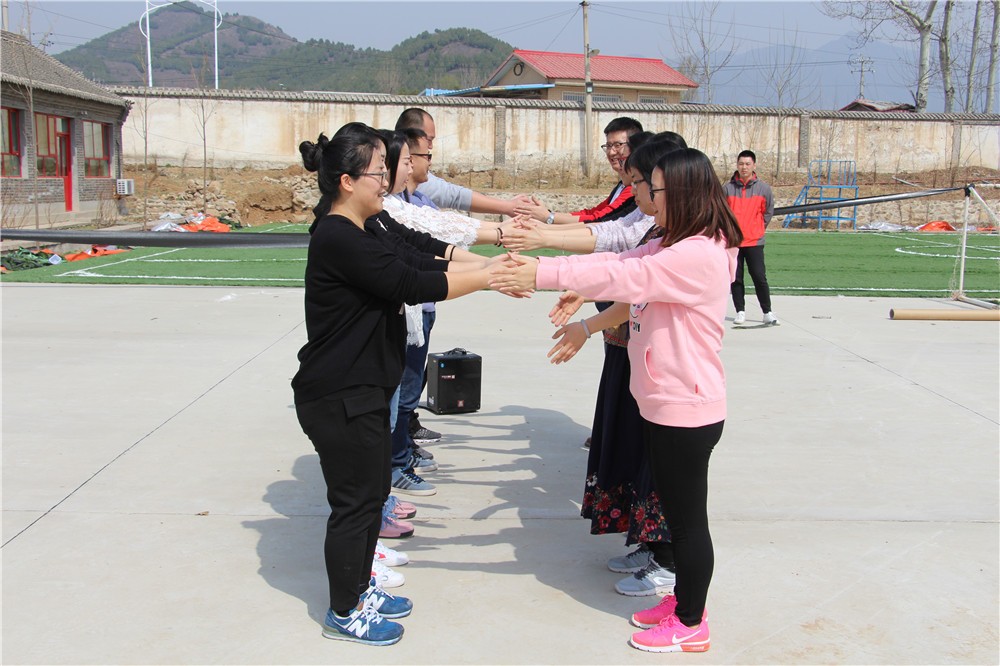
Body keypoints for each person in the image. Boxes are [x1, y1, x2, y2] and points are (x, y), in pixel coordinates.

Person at [489, 148, 743, 653]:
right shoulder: (677, 242)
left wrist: (539, 275)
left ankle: (691, 622)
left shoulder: (696, 254)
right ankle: (684, 604)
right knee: (678, 511)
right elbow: (616, 260)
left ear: (685, 193)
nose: (646, 198)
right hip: (666, 401)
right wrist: (550, 265)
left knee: (688, 523)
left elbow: (623, 279)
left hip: (685, 408)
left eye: (656, 189)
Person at [293, 125, 497, 646]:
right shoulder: (339, 236)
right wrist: (492, 278)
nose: (385, 181)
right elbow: (407, 282)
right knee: (355, 505)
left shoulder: (369, 222)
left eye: (387, 170)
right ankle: (344, 611)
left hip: (362, 389)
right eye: (377, 172)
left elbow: (417, 252)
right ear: (345, 180)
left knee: (373, 493)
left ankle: (359, 589)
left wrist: (484, 264)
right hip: (338, 395)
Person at [395, 108, 531, 216]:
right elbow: (453, 196)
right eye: (428, 140)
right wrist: (504, 216)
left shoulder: (420, 197)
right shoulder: (397, 199)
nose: (431, 147)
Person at [513, 117, 643, 225]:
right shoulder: (622, 186)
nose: (611, 152)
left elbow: (600, 220)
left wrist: (549, 218)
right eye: (608, 146)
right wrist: (548, 215)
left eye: (617, 145)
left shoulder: (633, 189)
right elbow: (593, 213)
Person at [725, 150, 778, 326]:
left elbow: (768, 211)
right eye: (741, 164)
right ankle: (740, 311)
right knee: (736, 278)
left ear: (754, 165)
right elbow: (722, 212)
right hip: (734, 242)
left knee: (759, 276)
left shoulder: (763, 189)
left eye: (748, 164)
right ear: (737, 165)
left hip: (754, 241)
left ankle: (767, 311)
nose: (744, 167)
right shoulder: (727, 188)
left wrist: (759, 228)